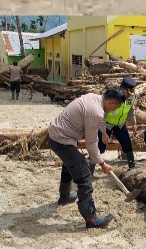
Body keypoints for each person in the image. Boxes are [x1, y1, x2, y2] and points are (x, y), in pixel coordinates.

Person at [47, 88, 125, 228]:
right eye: (116, 107)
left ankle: (64, 197)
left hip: (57, 135)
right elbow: (90, 143)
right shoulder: (96, 112)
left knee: (69, 164)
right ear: (112, 102)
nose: (114, 111)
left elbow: (100, 120)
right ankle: (91, 219)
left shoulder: (95, 98)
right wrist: (102, 163)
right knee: (84, 174)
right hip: (61, 139)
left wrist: (103, 133)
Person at [98, 77, 139, 170]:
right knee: (100, 147)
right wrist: (103, 132)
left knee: (127, 145)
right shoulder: (113, 96)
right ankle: (90, 171)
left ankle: (132, 168)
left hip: (120, 124)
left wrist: (134, 123)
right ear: (123, 88)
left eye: (131, 93)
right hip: (107, 124)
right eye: (128, 93)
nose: (130, 95)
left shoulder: (131, 96)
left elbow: (131, 109)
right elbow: (101, 115)